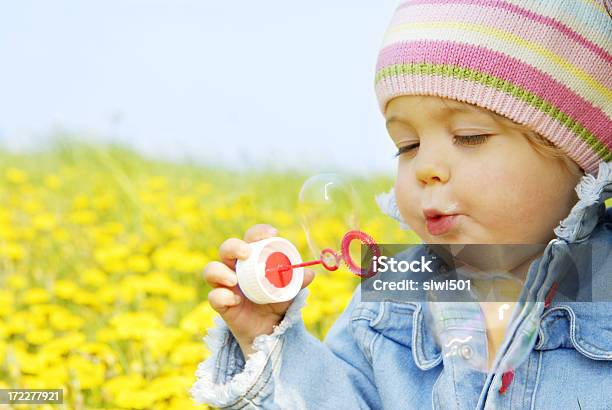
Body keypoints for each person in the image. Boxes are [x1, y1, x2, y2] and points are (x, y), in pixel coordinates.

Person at [191, 0, 612, 408]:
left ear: (578, 154)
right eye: (407, 145)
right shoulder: (392, 297)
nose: (425, 165)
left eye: (469, 135)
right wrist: (266, 338)